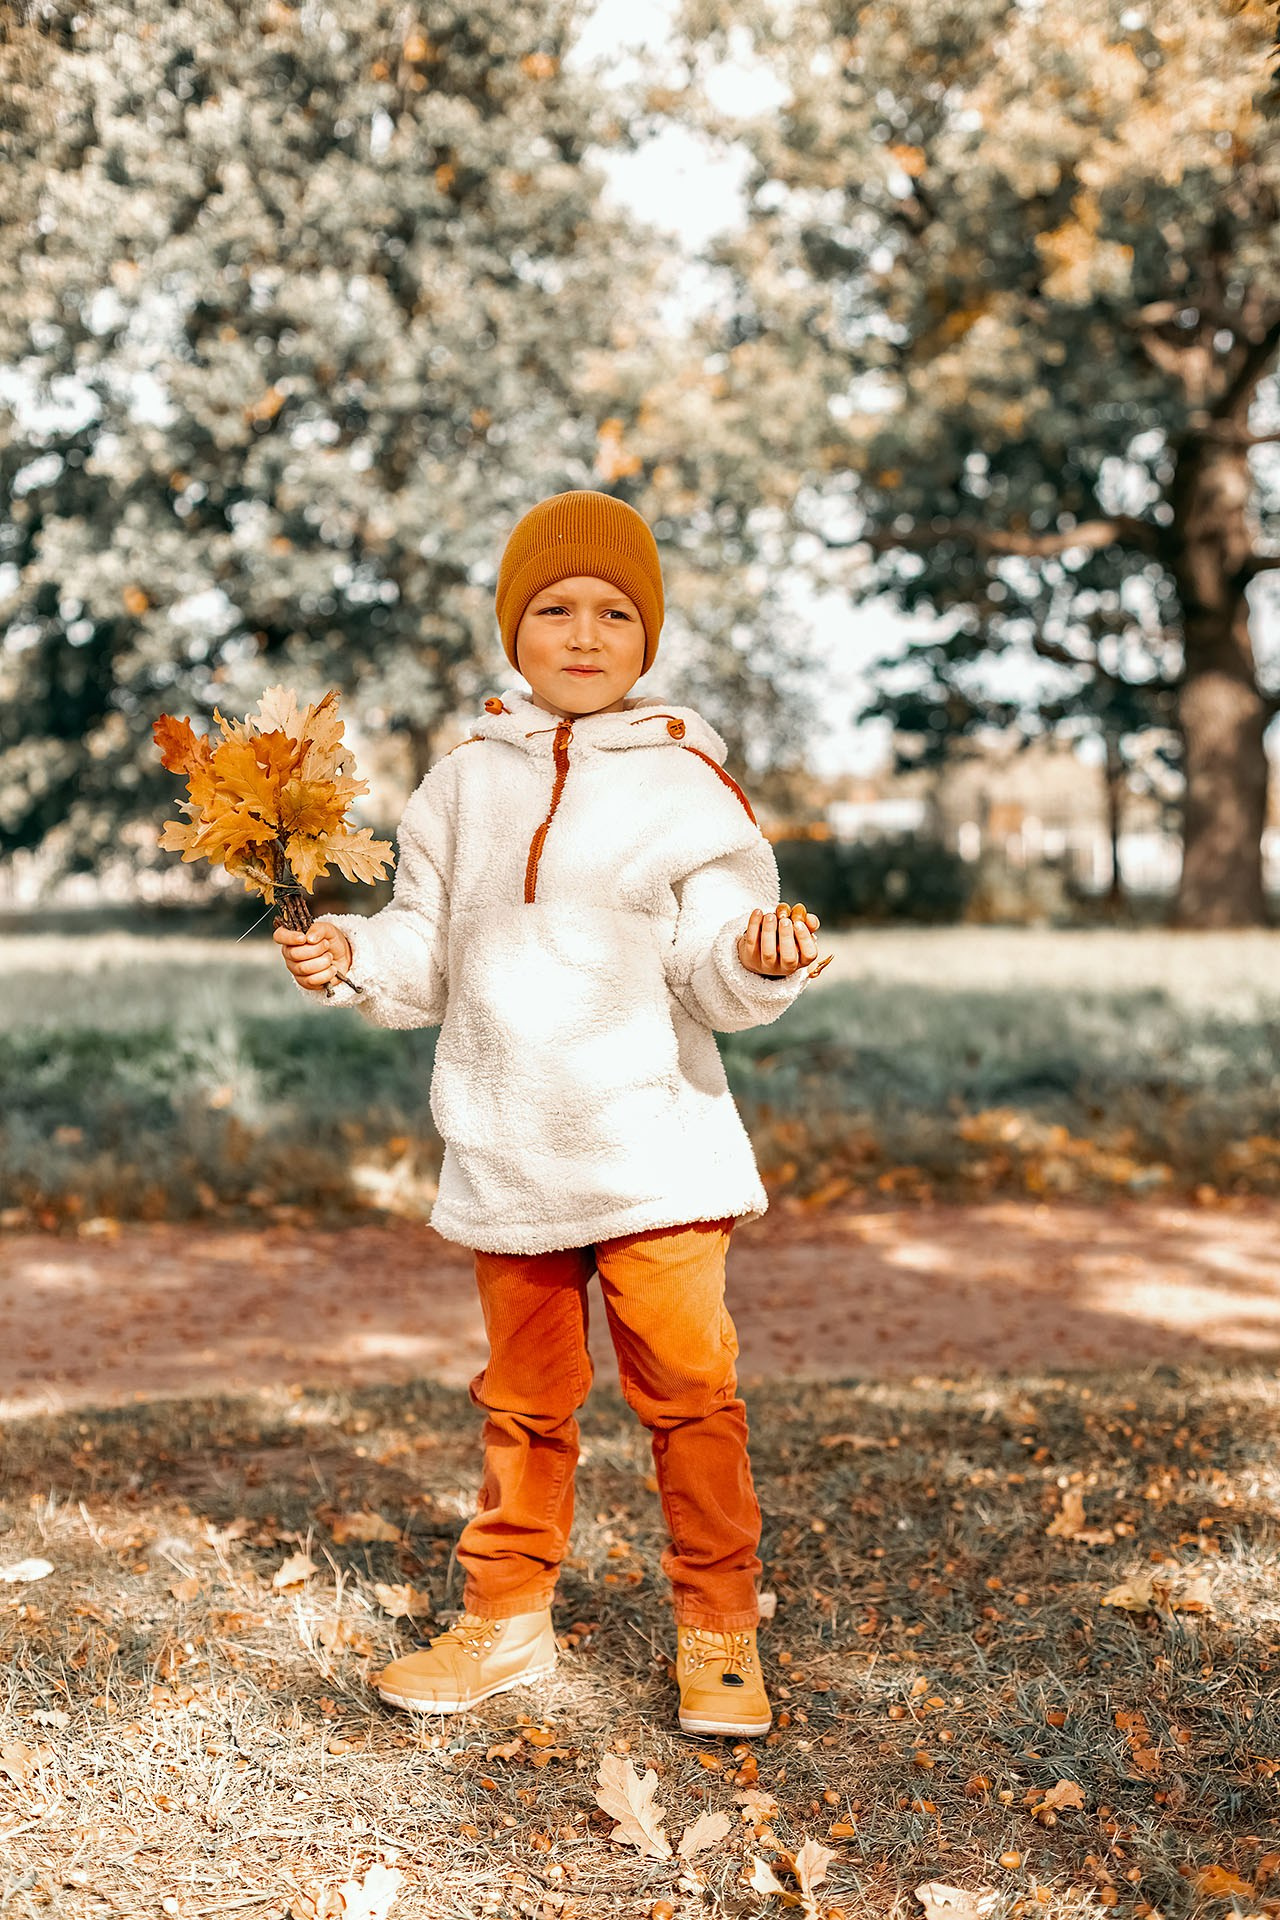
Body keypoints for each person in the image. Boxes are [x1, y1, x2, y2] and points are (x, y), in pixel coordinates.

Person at [275, 488, 831, 1736]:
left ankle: (719, 1631)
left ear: (648, 638)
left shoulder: (693, 792)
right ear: (511, 632)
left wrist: (762, 959)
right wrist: (353, 954)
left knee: (688, 1394)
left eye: (613, 613)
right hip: (509, 1150)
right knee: (523, 1406)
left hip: (652, 1155)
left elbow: (712, 976)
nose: (583, 634)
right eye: (554, 610)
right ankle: (503, 1621)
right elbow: (424, 956)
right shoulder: (459, 787)